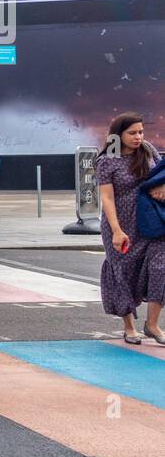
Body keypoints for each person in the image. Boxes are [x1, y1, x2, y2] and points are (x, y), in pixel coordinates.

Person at [96, 113, 165, 343]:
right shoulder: (107, 160)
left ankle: (153, 325)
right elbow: (107, 198)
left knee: (160, 267)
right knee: (122, 272)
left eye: (141, 132)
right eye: (132, 133)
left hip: (152, 221)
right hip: (120, 225)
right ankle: (129, 327)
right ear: (119, 135)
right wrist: (116, 230)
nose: (138, 137)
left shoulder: (147, 150)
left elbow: (161, 175)